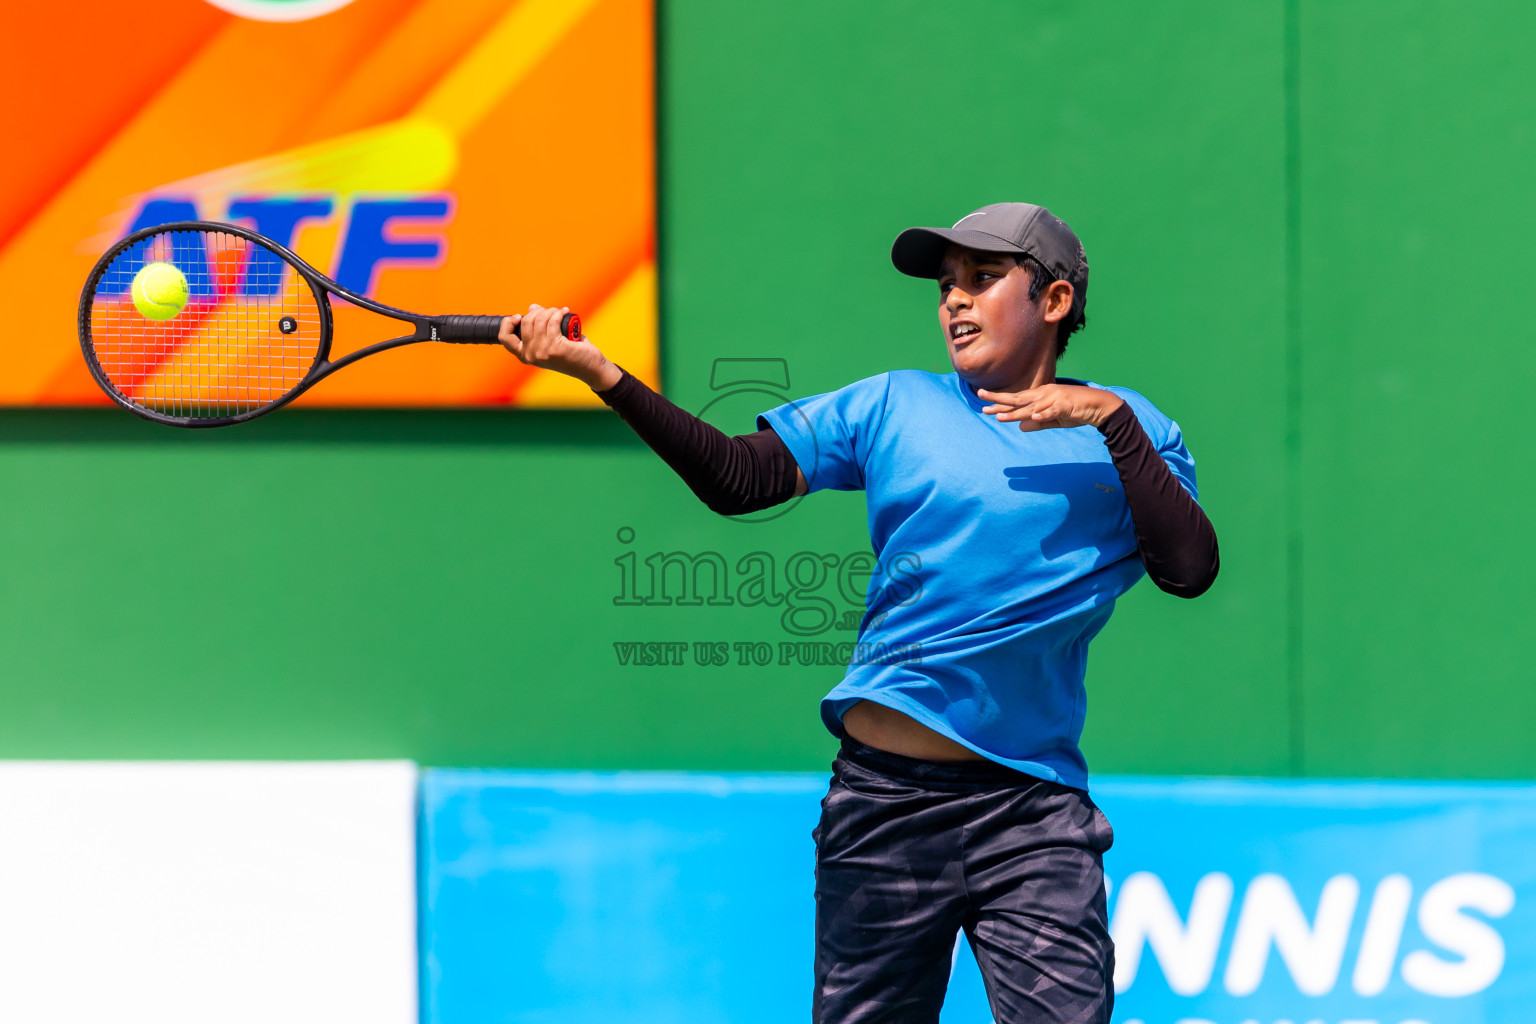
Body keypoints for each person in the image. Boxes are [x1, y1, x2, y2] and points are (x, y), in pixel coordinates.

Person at [498, 202, 1219, 1024]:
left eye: (983, 279)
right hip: (883, 810)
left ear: (1053, 302)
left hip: (1032, 814)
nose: (954, 300)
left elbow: (1189, 569)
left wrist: (1111, 422)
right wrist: (602, 373)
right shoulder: (893, 405)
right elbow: (740, 479)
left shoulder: (1128, 429)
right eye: (947, 285)